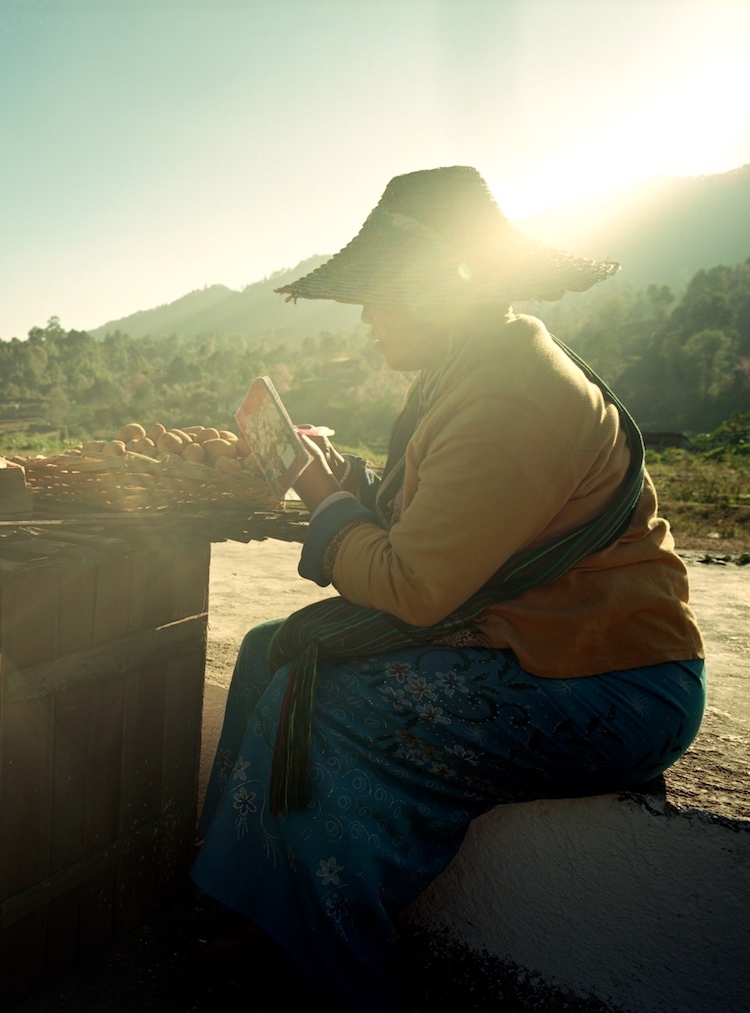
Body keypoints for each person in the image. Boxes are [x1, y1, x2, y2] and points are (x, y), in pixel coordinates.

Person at [191, 166, 706, 1010]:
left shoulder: (511, 390)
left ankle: (344, 966)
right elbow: (434, 518)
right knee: (268, 648)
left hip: (612, 683)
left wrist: (327, 504)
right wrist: (343, 479)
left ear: (446, 287)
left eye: (382, 293)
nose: (366, 316)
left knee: (331, 699)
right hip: (531, 649)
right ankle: (265, 909)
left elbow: (414, 582)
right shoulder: (471, 373)